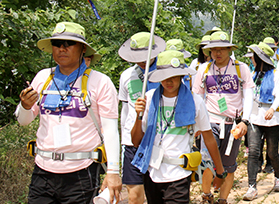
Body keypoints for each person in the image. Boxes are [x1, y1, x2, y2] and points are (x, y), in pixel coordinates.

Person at [16, 22, 121, 203]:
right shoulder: (43, 78)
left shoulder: (100, 82)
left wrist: (113, 172)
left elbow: (110, 130)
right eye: (57, 44)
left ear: (82, 48)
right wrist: (25, 106)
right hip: (43, 171)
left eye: (68, 44)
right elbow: (23, 121)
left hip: (81, 172)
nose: (62, 49)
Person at [131, 50, 226, 203]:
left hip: (179, 175)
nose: (169, 81)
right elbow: (136, 141)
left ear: (182, 75)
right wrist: (138, 116)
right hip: (152, 172)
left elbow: (208, 138)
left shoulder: (195, 101)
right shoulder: (148, 99)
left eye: (174, 76)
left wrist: (220, 171)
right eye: (165, 77)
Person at [192, 31, 254, 204]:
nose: (217, 53)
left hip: (232, 123)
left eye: (221, 49)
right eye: (213, 50)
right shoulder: (203, 70)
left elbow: (249, 95)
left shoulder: (241, 69)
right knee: (207, 160)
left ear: (229, 49)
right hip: (209, 122)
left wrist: (245, 121)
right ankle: (206, 195)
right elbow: (196, 96)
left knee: (229, 164)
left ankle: (223, 199)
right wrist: (196, 124)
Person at [118, 32, 166, 204]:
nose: (141, 60)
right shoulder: (126, 76)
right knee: (134, 196)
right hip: (133, 142)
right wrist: (124, 139)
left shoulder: (164, 75)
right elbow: (125, 110)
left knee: (156, 195)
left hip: (157, 142)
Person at [242, 43, 279, 201]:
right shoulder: (252, 74)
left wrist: (272, 109)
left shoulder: (275, 74)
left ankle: (278, 178)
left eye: (254, 56)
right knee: (253, 151)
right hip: (255, 117)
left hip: (271, 118)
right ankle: (252, 187)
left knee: (272, 153)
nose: (251, 59)